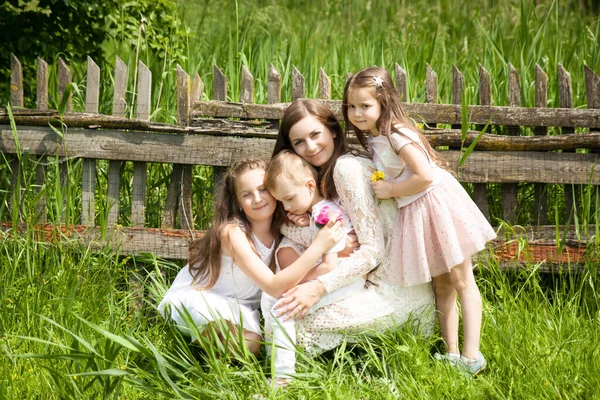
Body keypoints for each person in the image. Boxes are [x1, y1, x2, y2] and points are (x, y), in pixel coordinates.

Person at [343, 66, 497, 375]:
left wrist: (391, 189)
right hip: (416, 211)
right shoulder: (376, 137)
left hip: (436, 206)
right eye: (351, 106)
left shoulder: (397, 133)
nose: (357, 113)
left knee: (461, 279)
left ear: (384, 103)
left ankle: (472, 356)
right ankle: (452, 352)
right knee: (441, 285)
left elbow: (425, 176)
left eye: (365, 106)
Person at [262, 99, 436, 369]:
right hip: (361, 282)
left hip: (393, 292)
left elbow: (372, 252)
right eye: (298, 142)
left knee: (291, 322)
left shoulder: (346, 169)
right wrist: (327, 244)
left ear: (332, 130)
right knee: (282, 314)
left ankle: (284, 381)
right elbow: (294, 231)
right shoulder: (309, 181)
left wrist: (318, 287)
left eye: (315, 134)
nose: (310, 147)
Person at [157, 159, 344, 358]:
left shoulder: (284, 229)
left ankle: (216, 347)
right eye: (247, 194)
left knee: (252, 345)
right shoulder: (232, 233)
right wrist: (318, 247)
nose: (257, 199)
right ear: (238, 202)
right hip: (203, 296)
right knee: (232, 335)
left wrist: (324, 256)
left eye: (263, 189)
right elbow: (273, 286)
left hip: (241, 306)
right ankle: (203, 359)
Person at [262, 149, 365, 382]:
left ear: (310, 186)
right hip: (337, 275)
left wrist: (296, 281)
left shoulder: (325, 215)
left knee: (282, 308)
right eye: (281, 202)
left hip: (343, 279)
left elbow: (329, 266)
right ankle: (279, 367)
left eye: (289, 199)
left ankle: (283, 378)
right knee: (275, 302)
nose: (286, 207)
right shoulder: (319, 211)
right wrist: (306, 218)